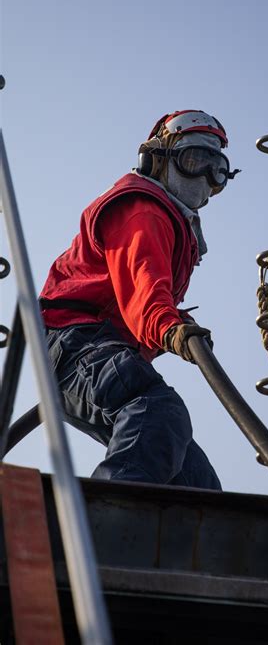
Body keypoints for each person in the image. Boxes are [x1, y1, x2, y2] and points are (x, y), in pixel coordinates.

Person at [40, 110, 239, 490]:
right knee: (158, 411)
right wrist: (171, 328)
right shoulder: (143, 210)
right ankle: (110, 522)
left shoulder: (168, 220)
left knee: (196, 481)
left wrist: (177, 322)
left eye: (216, 168)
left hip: (103, 350)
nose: (203, 178)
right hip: (74, 344)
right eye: (195, 160)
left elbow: (139, 293)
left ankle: (183, 543)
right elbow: (144, 292)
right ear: (158, 159)